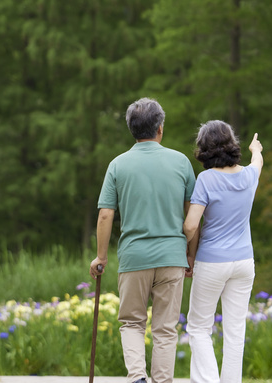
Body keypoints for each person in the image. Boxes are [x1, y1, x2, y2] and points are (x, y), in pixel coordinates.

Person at [90, 97, 196, 383]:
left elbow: (105, 216)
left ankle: (137, 376)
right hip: (172, 256)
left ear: (131, 129)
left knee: (132, 322)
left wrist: (102, 257)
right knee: (165, 328)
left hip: (134, 257)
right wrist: (191, 254)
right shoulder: (181, 162)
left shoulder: (117, 165)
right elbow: (193, 218)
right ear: (160, 128)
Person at [183, 120, 263, 383]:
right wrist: (256, 149)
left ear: (204, 149)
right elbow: (257, 163)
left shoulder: (206, 179)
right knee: (235, 331)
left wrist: (185, 245)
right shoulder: (249, 176)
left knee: (198, 327)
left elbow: (192, 224)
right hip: (244, 262)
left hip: (212, 262)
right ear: (232, 144)